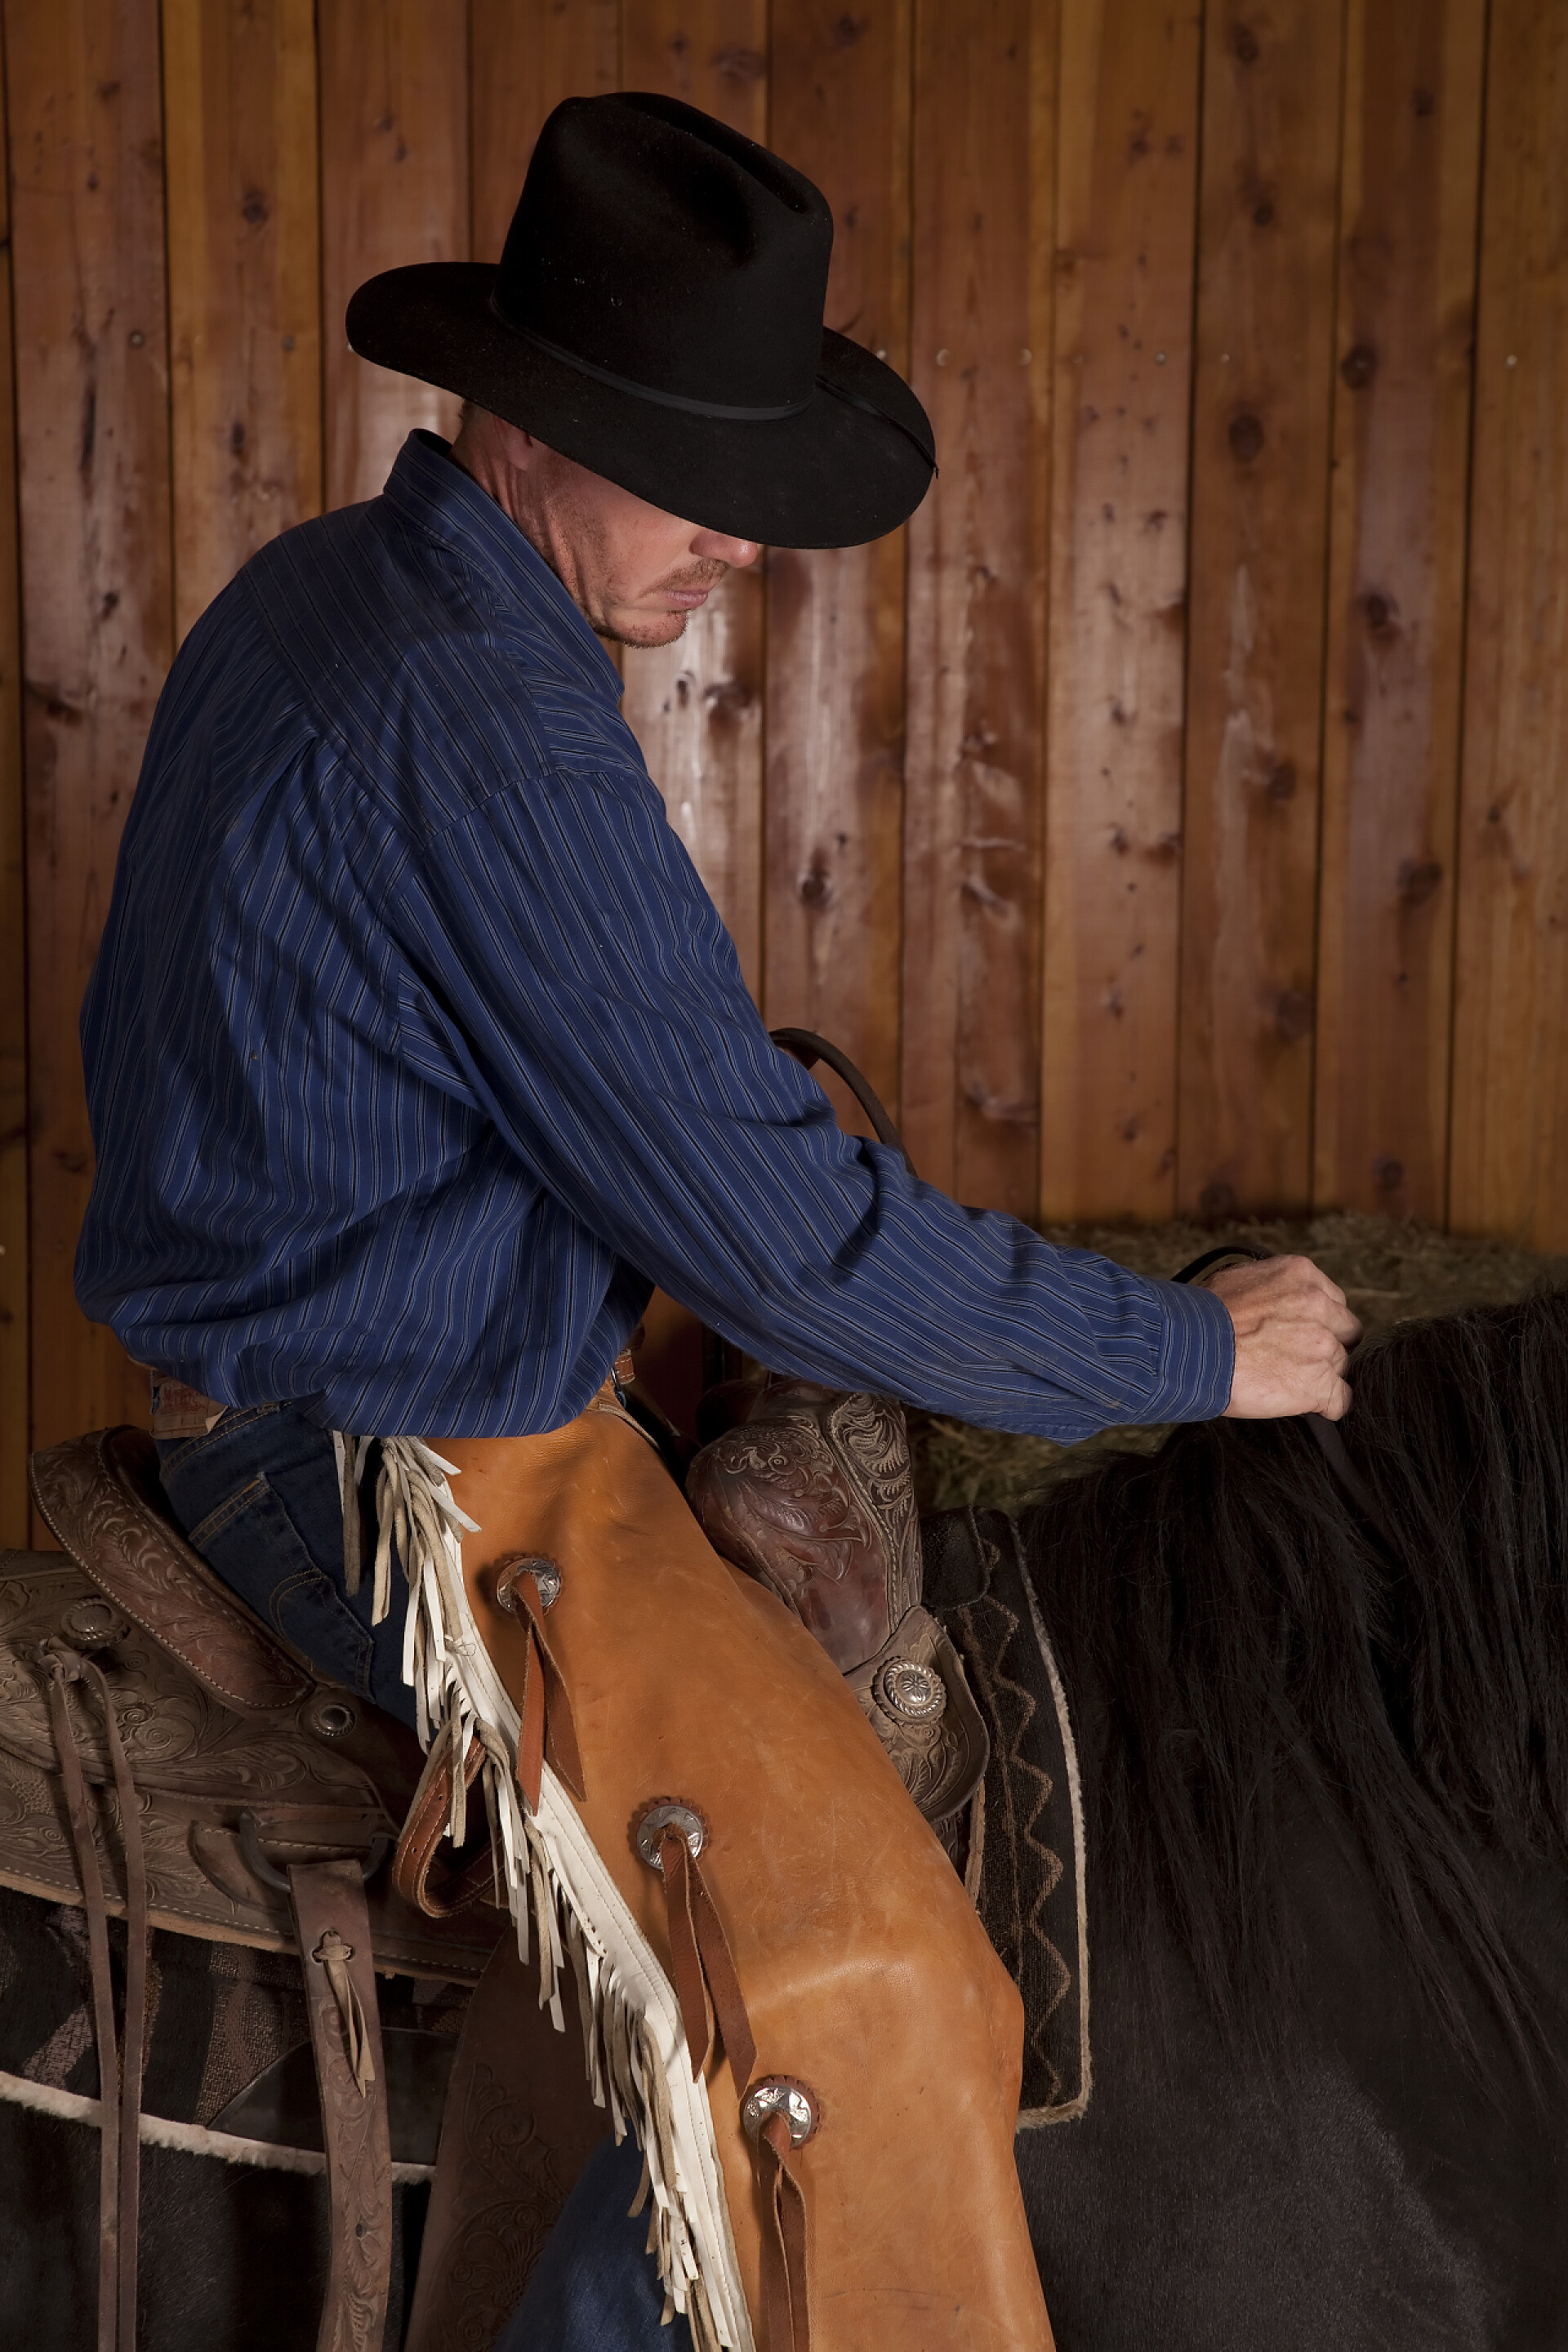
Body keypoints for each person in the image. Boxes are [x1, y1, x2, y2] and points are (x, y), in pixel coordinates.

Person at [74, 91, 1360, 2346]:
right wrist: (1194, 1354)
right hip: (392, 1459)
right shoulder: (482, 718)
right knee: (856, 2005)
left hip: (311, 1357)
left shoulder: (330, 596)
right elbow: (780, 1242)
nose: (744, 553)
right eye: (703, 480)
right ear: (529, 423)